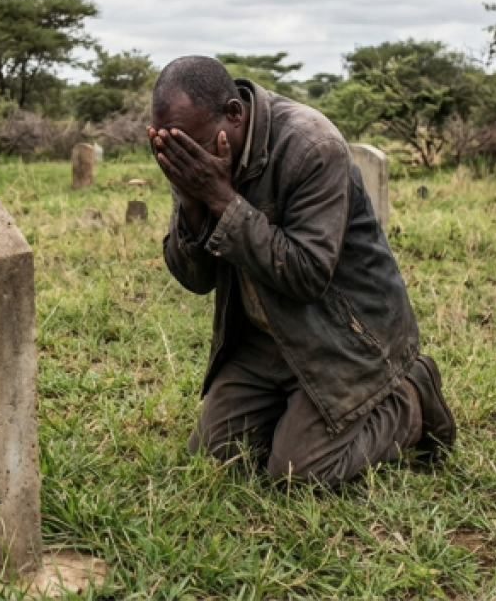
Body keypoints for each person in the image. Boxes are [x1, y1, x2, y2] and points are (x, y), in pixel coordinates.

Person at [147, 55, 455, 487]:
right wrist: (193, 202)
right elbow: (195, 281)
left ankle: (410, 399)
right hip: (265, 339)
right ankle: (294, 415)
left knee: (298, 475)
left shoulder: (311, 145)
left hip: (342, 336)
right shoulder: (196, 152)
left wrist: (221, 201)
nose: (186, 157)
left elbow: (308, 274)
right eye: (172, 147)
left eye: (191, 145)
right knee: (214, 457)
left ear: (234, 114)